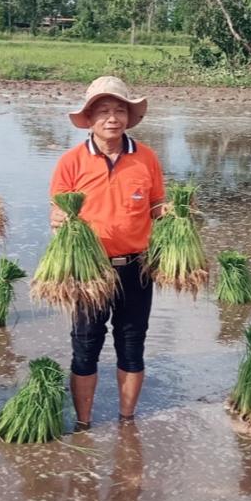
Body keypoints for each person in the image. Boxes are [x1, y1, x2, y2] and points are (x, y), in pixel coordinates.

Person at [48, 76, 165, 430]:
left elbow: (157, 205)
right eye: (103, 111)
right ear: (89, 118)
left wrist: (174, 216)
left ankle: (127, 421)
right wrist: (59, 220)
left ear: (129, 116)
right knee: (85, 345)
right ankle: (84, 423)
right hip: (89, 269)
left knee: (132, 345)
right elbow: (57, 211)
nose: (112, 118)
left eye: (119, 110)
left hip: (136, 268)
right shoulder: (71, 161)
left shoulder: (146, 158)